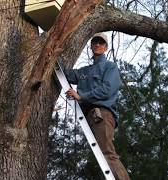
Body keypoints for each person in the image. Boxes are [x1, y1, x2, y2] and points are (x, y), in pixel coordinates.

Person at [64, 32, 130, 180]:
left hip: (102, 114)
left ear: (106, 47)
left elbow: (107, 89)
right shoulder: (85, 71)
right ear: (91, 45)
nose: (98, 45)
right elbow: (66, 73)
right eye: (95, 42)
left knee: (107, 153)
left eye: (101, 43)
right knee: (101, 154)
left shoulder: (110, 67)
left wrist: (82, 96)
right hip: (90, 117)